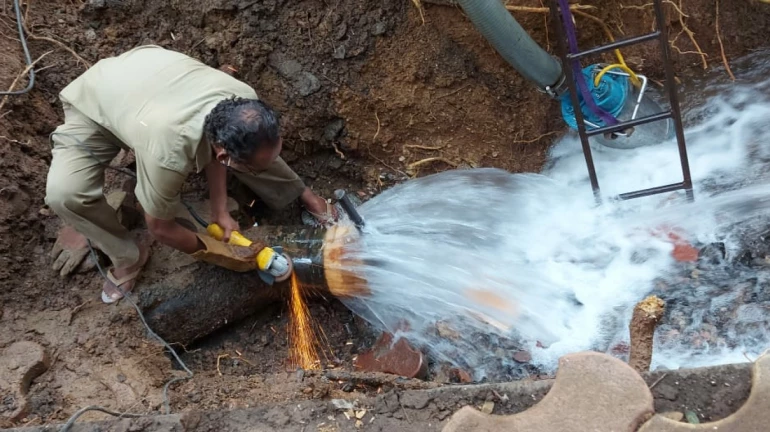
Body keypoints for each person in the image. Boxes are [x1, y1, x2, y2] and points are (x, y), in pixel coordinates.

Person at [44, 45, 337, 303]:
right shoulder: (168, 154)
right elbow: (160, 227)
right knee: (65, 194)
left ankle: (306, 197)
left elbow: (214, 144)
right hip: (97, 103)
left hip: (151, 85)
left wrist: (220, 210)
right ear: (224, 155)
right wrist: (229, 257)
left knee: (256, 150)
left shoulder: (244, 100)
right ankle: (127, 257)